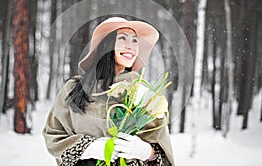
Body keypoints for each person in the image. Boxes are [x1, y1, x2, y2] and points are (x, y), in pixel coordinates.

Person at [42, 17, 175, 166]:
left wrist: (145, 152)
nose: (131, 46)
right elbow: (53, 136)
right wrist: (90, 148)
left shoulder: (143, 94)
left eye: (135, 41)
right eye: (122, 39)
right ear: (106, 44)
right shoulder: (74, 89)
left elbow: (163, 156)